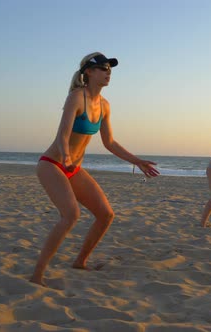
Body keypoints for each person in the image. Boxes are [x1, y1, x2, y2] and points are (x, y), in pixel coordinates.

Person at [30, 52, 160, 286]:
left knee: (106, 215)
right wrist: (67, 157)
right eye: (103, 68)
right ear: (88, 72)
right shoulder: (76, 97)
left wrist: (137, 161)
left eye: (110, 68)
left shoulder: (105, 106)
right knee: (71, 215)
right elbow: (63, 135)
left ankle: (80, 261)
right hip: (52, 164)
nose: (108, 72)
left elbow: (109, 142)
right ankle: (37, 273)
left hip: (73, 168)